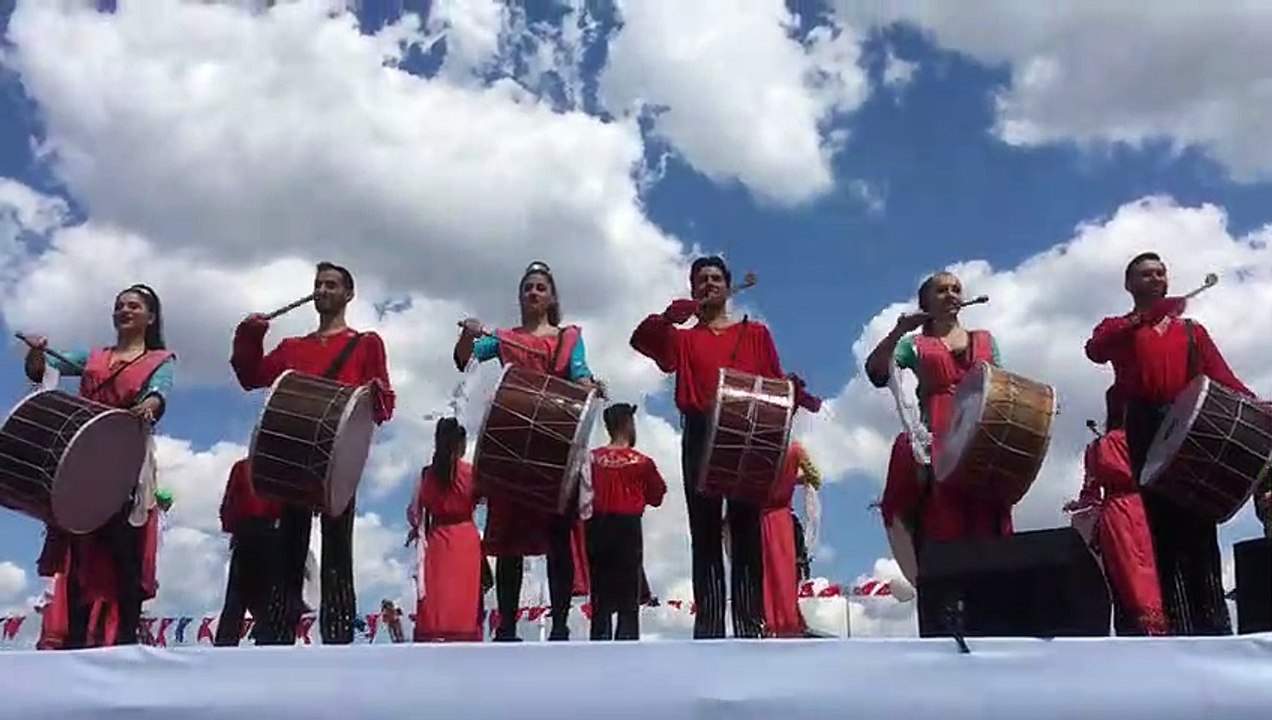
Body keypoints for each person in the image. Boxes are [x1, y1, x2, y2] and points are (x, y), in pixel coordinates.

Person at [630, 255, 820, 639]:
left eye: (716, 279)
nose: (709, 285)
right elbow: (641, 340)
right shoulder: (683, 338)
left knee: (746, 528)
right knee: (704, 532)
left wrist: (794, 391)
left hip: (746, 432)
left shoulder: (756, 334)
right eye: (701, 280)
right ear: (692, 289)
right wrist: (670, 317)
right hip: (700, 432)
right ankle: (710, 627)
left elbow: (773, 383)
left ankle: (750, 624)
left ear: (728, 285)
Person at [1085, 252, 1258, 635]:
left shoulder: (1192, 331)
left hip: (1188, 427)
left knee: (1199, 521)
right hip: (1143, 427)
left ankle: (1213, 625)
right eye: (1146, 274)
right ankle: (1176, 627)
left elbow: (1223, 379)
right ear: (1129, 285)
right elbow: (1095, 350)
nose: (1156, 278)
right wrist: (1139, 319)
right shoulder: (1120, 328)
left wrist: (1259, 406)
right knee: (1161, 527)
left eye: (1161, 273)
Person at [230, 261, 395, 645]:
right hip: (293, 456)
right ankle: (276, 635)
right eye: (318, 284)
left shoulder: (366, 343)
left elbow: (384, 404)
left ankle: (338, 635)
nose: (322, 290)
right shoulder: (293, 348)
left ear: (348, 294)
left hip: (339, 461)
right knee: (288, 550)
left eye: (331, 285)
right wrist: (249, 336)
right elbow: (250, 376)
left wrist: (373, 395)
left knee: (338, 550)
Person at [26, 283, 175, 648]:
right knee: (80, 557)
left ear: (150, 317)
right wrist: (37, 355)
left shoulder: (160, 360)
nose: (125, 310)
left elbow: (159, 393)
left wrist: (149, 406)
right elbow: (45, 368)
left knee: (124, 553)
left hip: (125, 462)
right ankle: (75, 645)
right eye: (120, 306)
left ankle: (125, 644)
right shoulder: (92, 358)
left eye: (134, 306)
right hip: (84, 463)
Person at [453, 261, 596, 641]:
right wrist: (468, 336)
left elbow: (579, 371)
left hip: (553, 442)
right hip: (513, 440)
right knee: (508, 539)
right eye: (527, 288)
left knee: (558, 536)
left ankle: (561, 625)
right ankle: (508, 628)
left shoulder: (567, 337)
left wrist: (589, 384)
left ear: (551, 298)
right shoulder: (503, 338)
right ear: (521, 297)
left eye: (540, 288)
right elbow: (466, 357)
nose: (533, 292)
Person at [864, 271, 1009, 587]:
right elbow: (876, 372)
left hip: (982, 441)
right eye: (941, 290)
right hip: (939, 440)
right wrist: (898, 330)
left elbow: (1002, 388)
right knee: (943, 522)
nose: (951, 295)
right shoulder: (914, 344)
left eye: (956, 289)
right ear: (926, 302)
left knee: (987, 523)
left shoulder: (985, 340)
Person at [1064, 413, 1167, 636]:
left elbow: (1090, 493)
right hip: (1145, 508)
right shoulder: (1145, 438)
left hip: (1117, 514)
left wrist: (1079, 505)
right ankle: (1156, 629)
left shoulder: (1098, 448)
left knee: (1125, 580)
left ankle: (1135, 632)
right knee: (1148, 575)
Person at [584, 403, 666, 641]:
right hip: (628, 528)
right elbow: (657, 496)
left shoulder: (592, 459)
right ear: (628, 424)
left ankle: (599, 641)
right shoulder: (642, 462)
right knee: (628, 595)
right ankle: (627, 647)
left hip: (597, 527)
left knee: (599, 594)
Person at [407, 418, 483, 642]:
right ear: (460, 445)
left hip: (438, 538)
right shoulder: (471, 473)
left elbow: (414, 514)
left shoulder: (426, 475)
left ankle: (434, 633)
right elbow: (486, 498)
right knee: (464, 595)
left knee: (437, 594)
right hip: (466, 538)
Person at [214, 458, 283, 646]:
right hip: (269, 530)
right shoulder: (276, 467)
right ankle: (267, 641)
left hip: (244, 530)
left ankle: (225, 643)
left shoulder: (242, 467)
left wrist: (231, 526)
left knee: (236, 594)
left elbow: (229, 501)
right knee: (266, 594)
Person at [759, 441, 820, 638]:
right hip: (783, 518)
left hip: (758, 519)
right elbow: (815, 478)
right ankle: (787, 620)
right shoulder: (795, 448)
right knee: (786, 572)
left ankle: (767, 620)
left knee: (763, 573)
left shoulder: (758, 446)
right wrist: (794, 479)